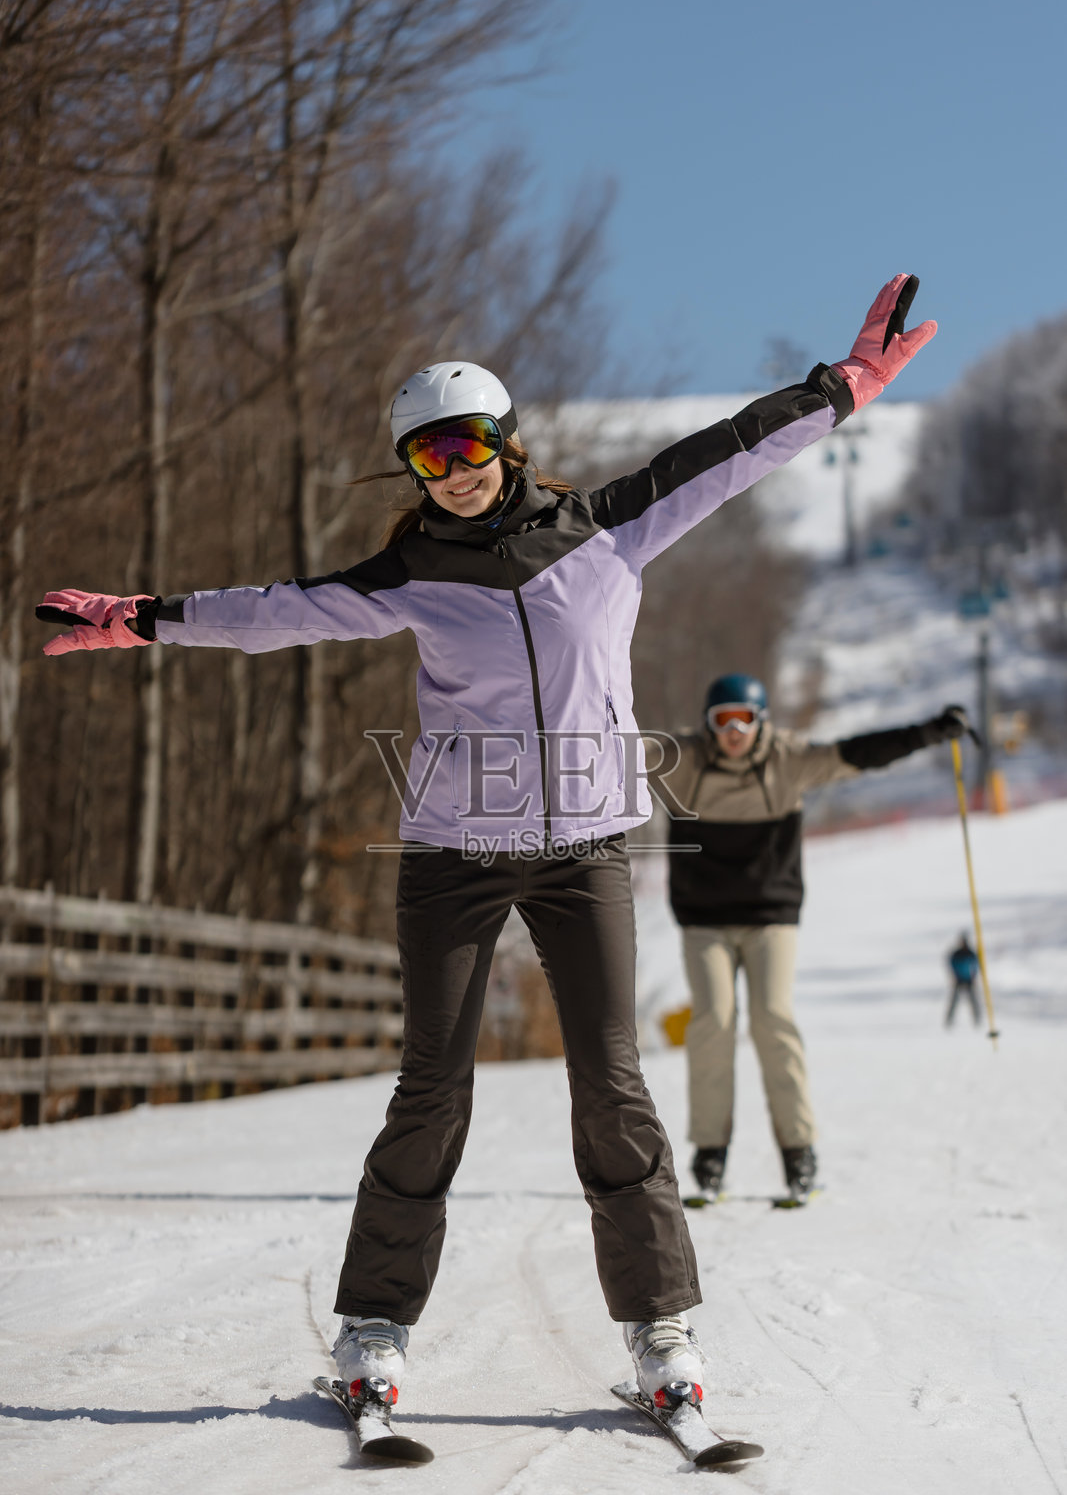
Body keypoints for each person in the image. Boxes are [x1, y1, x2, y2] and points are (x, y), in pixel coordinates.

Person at [36, 273, 936, 1414]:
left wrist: (843, 384)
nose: (451, 470)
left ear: (507, 441)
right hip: (453, 852)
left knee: (611, 1082)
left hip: (586, 849)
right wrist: (143, 618)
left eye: (466, 445)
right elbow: (274, 612)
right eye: (426, 456)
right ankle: (373, 1324)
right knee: (432, 1087)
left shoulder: (607, 528)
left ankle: (658, 1325)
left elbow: (731, 451)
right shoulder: (413, 572)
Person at [659, 673, 970, 1204]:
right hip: (704, 920)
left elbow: (861, 753)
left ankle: (798, 1155)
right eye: (722, 720)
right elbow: (614, 750)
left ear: (761, 721)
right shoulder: (683, 761)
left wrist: (931, 732)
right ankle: (710, 1157)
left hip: (770, 917)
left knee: (772, 1018)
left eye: (744, 719)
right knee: (712, 1022)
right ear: (708, 725)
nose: (734, 731)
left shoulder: (789, 760)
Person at [945, 933, 981, 1026]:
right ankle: (949, 1019)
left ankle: (977, 1018)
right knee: (954, 1001)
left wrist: (974, 975)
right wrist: (954, 975)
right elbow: (952, 964)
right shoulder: (956, 953)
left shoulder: (970, 953)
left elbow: (976, 964)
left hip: (969, 979)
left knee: (973, 1000)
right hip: (959, 979)